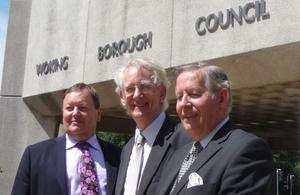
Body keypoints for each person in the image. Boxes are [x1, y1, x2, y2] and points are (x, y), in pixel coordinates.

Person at [157, 63, 274, 195]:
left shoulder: (247, 150)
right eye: (179, 97)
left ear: (222, 98)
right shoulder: (177, 156)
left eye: (193, 94)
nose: (183, 104)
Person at [12, 83, 121, 195]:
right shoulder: (35, 156)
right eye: (69, 108)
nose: (75, 113)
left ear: (98, 114)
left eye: (82, 108)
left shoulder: (118, 156)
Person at [114, 58, 191, 195]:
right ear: (122, 97)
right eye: (130, 89)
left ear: (162, 93)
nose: (137, 95)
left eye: (145, 86)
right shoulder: (127, 149)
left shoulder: (185, 141)